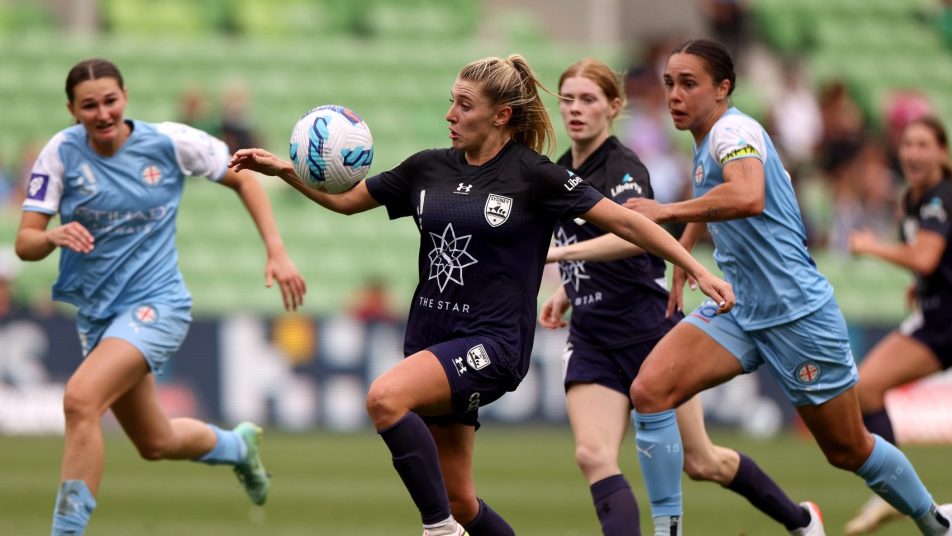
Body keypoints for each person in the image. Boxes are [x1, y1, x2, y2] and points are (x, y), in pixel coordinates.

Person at [230, 54, 734, 536]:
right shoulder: (427, 168)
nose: (450, 114)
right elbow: (346, 202)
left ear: (502, 115)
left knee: (385, 399)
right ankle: (449, 521)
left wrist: (695, 267)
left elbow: (627, 222)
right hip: (431, 339)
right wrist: (287, 172)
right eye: (452, 101)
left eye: (464, 105)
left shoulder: (535, 175)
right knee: (460, 501)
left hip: (492, 344)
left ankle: (438, 530)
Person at [612, 38, 951, 536]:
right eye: (669, 84)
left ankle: (936, 522)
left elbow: (748, 194)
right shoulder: (708, 141)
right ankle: (668, 532)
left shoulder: (734, 131)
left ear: (723, 88)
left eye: (688, 83)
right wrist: (685, 250)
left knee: (848, 449)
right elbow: (718, 195)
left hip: (796, 314)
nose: (674, 95)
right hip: (740, 305)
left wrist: (666, 212)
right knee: (650, 390)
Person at [14, 58, 307, 536]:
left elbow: (242, 175)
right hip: (100, 317)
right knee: (156, 441)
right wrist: (51, 236)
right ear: (72, 110)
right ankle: (238, 447)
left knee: (80, 400)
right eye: (89, 105)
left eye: (110, 101)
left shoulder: (170, 141)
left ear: (125, 97)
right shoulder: (59, 154)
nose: (103, 113)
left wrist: (276, 249)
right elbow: (25, 242)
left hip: (158, 304)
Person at [539, 58, 822, 535]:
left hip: (648, 331)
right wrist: (568, 287)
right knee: (593, 455)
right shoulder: (561, 171)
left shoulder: (623, 167)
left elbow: (636, 237)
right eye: (568, 99)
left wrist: (559, 256)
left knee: (702, 461)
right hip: (591, 335)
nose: (576, 109)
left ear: (613, 107)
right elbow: (584, 244)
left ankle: (802, 520)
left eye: (588, 99)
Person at [845, 116, 952, 535]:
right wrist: (921, 284)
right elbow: (932, 262)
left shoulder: (942, 197)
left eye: (923, 144)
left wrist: (872, 246)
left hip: (944, 321)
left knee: (865, 387)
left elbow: (925, 255)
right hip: (938, 319)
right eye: (908, 144)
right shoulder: (912, 200)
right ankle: (892, 490)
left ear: (942, 152)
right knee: (866, 388)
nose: (913, 153)